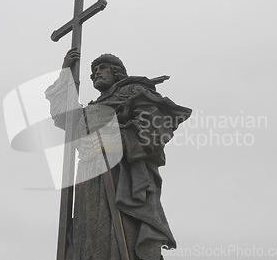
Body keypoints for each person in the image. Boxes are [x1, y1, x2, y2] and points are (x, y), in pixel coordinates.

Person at [45, 48, 192, 260]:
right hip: (89, 174)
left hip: (121, 173)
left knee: (121, 228)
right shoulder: (92, 109)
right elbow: (64, 116)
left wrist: (113, 138)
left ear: (117, 72)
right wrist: (65, 70)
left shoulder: (133, 92)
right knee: (88, 230)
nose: (96, 73)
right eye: (93, 70)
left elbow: (154, 127)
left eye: (102, 68)